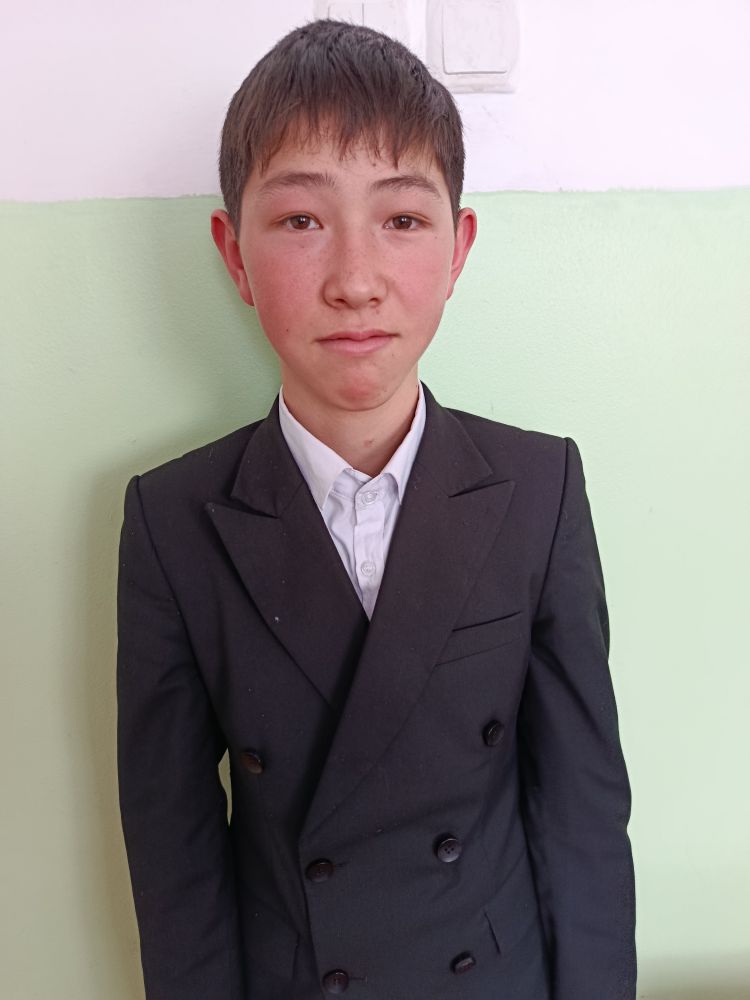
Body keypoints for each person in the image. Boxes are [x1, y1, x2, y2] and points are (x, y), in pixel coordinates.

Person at [116, 18, 636, 1000]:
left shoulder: (540, 489)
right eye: (300, 220)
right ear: (234, 254)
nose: (355, 281)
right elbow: (173, 860)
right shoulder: (171, 521)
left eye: (401, 218)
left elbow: (583, 817)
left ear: (457, 248)